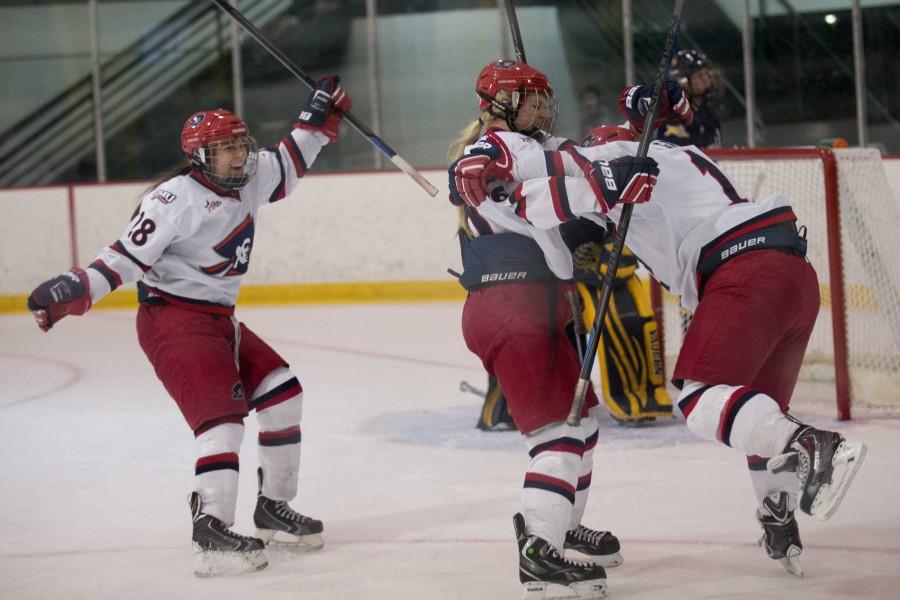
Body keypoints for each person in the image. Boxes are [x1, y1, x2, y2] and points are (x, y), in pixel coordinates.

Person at [457, 92, 868, 579]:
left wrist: (510, 189)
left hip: (742, 272)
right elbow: (663, 142)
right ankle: (777, 515)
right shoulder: (683, 155)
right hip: (794, 276)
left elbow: (559, 184)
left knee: (699, 401)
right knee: (755, 411)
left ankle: (810, 444)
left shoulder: (613, 156)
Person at [26, 77, 352, 577]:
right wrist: (76, 287)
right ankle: (212, 529)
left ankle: (271, 508)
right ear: (200, 157)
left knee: (284, 394)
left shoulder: (250, 175)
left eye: (240, 145)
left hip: (219, 320)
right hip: (173, 319)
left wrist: (318, 114)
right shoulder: (174, 199)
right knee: (221, 421)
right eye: (224, 150)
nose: (238, 157)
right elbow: (124, 257)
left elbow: (287, 163)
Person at [446, 59, 659, 599]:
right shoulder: (494, 146)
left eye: (545, 99)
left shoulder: (542, 149)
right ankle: (540, 551)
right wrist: (512, 189)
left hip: (542, 302)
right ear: (499, 105)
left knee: (581, 424)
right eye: (531, 100)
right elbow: (472, 173)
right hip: (510, 301)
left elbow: (588, 172)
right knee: (558, 435)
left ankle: (559, 526)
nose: (542, 108)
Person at [654, 48, 721, 148]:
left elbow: (715, 155)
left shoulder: (709, 114)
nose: (706, 79)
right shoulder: (674, 116)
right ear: (683, 81)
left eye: (706, 73)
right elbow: (680, 159)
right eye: (699, 75)